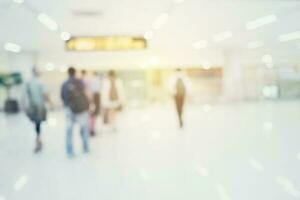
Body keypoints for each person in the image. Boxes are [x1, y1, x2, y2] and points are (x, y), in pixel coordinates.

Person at [61, 67, 90, 158]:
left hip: (69, 110)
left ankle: (70, 151)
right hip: (81, 110)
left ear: (68, 73)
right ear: (75, 73)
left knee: (69, 131)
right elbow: (86, 93)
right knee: (84, 129)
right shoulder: (80, 82)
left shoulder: (65, 84)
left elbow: (62, 97)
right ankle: (85, 148)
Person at [24, 68, 51, 153]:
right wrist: (51, 103)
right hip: (39, 107)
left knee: (36, 124)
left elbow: (25, 97)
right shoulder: (40, 83)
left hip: (31, 107)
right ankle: (38, 141)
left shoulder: (28, 83)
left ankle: (38, 140)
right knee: (38, 124)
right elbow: (45, 95)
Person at [88, 71, 101, 136]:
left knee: (91, 116)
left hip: (92, 101)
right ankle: (92, 129)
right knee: (93, 116)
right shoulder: (97, 80)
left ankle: (91, 129)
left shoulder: (91, 80)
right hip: (94, 100)